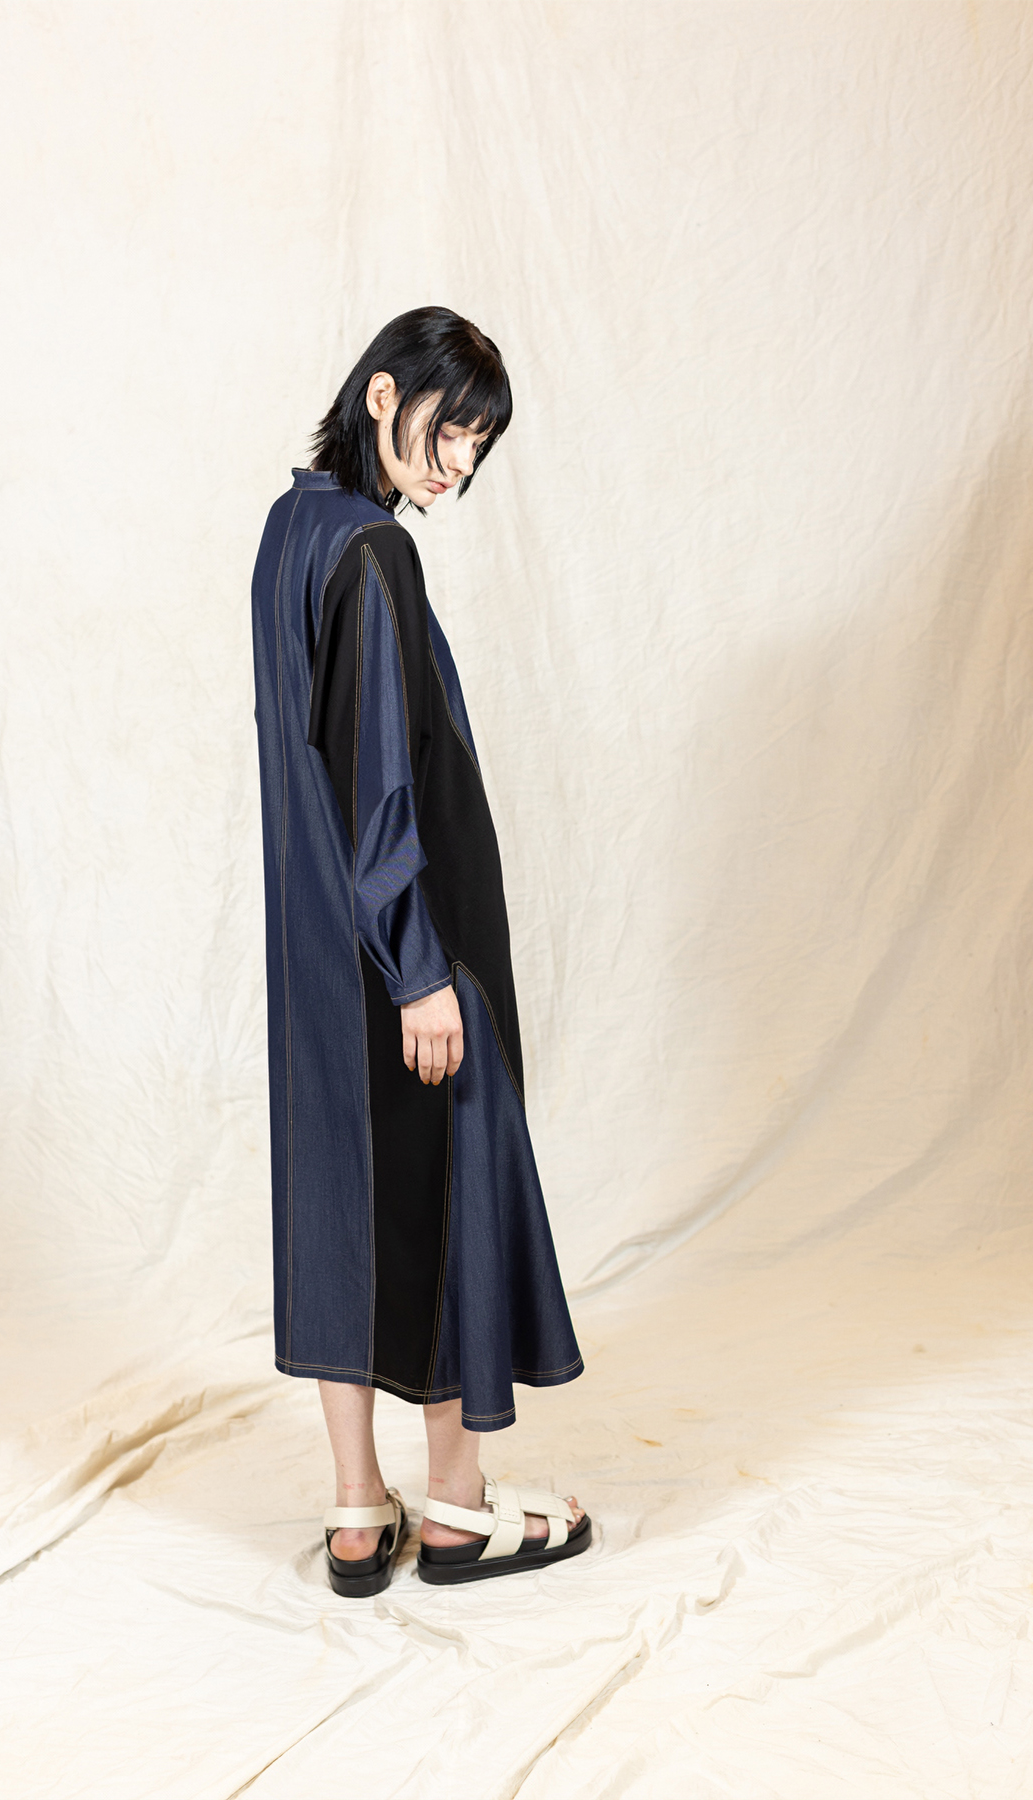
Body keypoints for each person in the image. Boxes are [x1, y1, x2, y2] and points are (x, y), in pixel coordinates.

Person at [250, 307, 590, 1594]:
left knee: (342, 1201)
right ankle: (455, 1509)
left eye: (479, 446)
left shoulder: (291, 529)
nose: (458, 464)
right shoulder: (376, 552)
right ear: (385, 395)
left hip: (313, 953)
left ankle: (356, 1511)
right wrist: (423, 972)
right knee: (454, 1193)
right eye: (451, 430)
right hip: (409, 954)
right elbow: (380, 778)